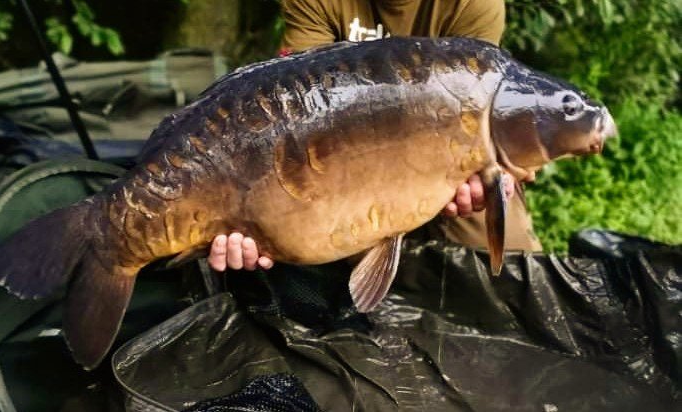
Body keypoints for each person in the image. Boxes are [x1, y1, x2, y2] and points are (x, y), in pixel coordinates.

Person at [207, 0, 542, 273]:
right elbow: (295, 108)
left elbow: (483, 101)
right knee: (281, 236)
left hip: (447, 162)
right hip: (341, 162)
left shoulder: (473, 3)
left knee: (513, 266)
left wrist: (499, 168)